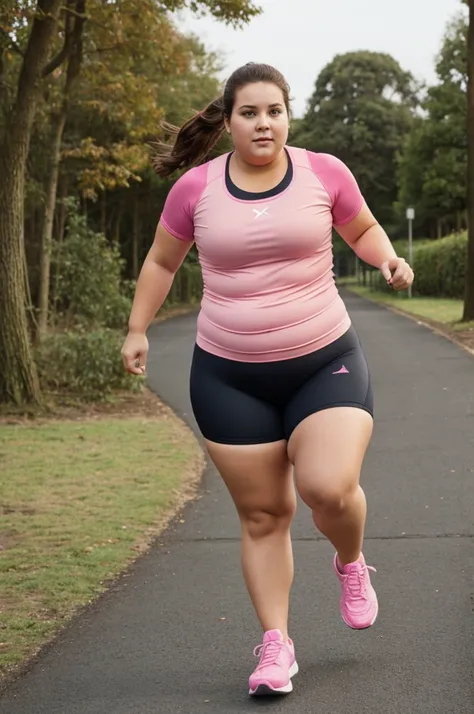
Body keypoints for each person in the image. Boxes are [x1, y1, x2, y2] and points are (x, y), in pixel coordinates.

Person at [121, 62, 414, 697]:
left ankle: (350, 560)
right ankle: (276, 646)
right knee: (263, 516)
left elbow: (360, 228)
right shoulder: (195, 190)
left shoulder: (324, 173)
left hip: (322, 361)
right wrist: (138, 328)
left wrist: (387, 255)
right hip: (228, 375)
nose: (263, 123)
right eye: (249, 113)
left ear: (288, 115)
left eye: (273, 111)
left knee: (329, 489)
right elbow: (161, 260)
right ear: (228, 122)